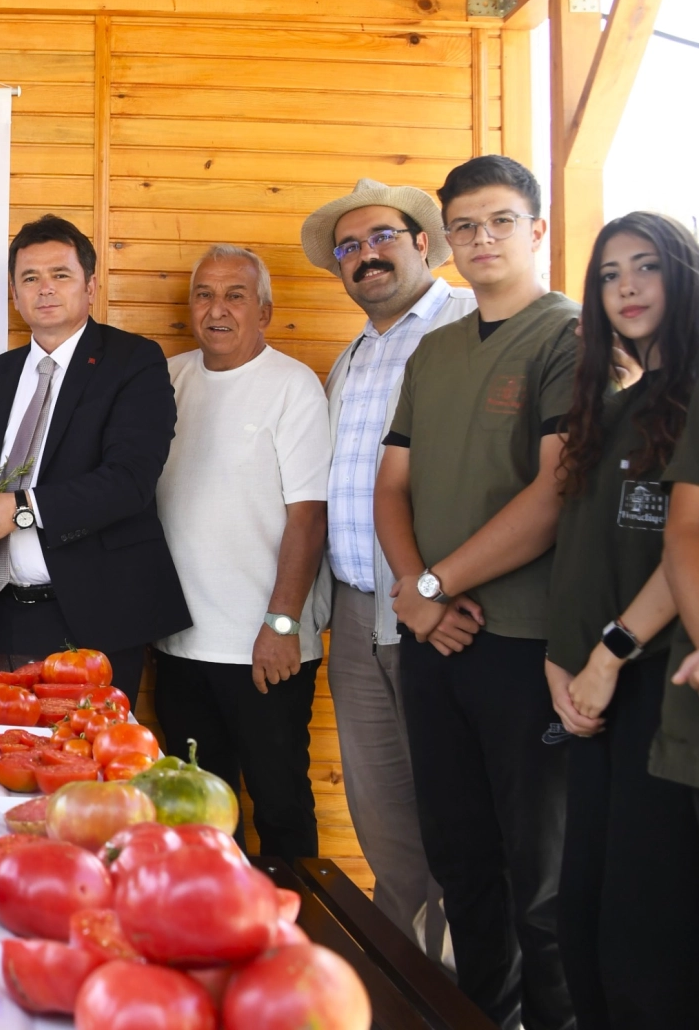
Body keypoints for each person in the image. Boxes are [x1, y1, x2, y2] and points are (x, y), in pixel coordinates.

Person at [373, 155, 577, 1030]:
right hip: (432, 643)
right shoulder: (435, 348)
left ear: (536, 230)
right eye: (465, 226)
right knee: (460, 861)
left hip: (526, 645)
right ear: (444, 242)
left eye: (499, 221)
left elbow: (552, 496)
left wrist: (430, 583)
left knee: (539, 881)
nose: (481, 239)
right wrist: (417, 601)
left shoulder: (570, 338)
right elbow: (390, 485)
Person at [300, 179, 473, 958]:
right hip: (357, 610)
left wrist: (437, 586)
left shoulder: (469, 325)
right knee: (381, 817)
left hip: (438, 610)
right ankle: (407, 972)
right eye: (348, 247)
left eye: (379, 238)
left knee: (454, 811)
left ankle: (470, 989)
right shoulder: (353, 355)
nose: (364, 255)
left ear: (421, 242)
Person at [548, 213, 699, 1026]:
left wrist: (609, 653)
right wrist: (560, 662)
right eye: (608, 275)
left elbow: (689, 550)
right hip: (591, 696)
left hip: (659, 690)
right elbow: (581, 552)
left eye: (645, 268)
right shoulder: (612, 404)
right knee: (584, 919)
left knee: (647, 936)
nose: (627, 288)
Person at [0, 214, 189, 701]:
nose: (45, 289)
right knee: (4, 763)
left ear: (90, 285)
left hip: (96, 616)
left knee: (88, 767)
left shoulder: (134, 362)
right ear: (15, 294)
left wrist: (20, 509)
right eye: (29, 278)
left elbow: (130, 481)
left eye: (61, 275)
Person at [152, 244, 331, 860]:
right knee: (202, 815)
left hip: (266, 648)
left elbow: (309, 517)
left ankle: (296, 943)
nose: (217, 309)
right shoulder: (169, 380)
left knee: (280, 805)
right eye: (204, 294)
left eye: (235, 295)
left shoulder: (293, 387)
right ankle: (216, 941)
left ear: (265, 311)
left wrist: (281, 623)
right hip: (178, 645)